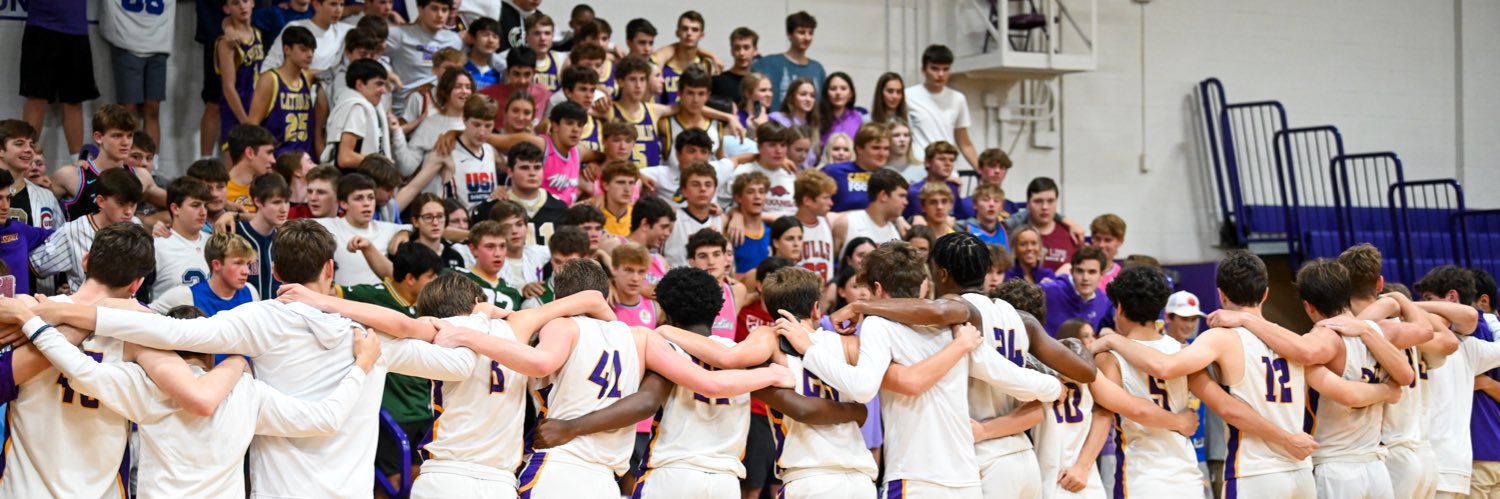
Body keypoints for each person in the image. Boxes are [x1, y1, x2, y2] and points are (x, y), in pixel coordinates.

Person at [15, 218, 477, 498]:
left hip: (278, 489)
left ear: (273, 271)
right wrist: (484, 323)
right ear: (331, 270)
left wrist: (56, 311)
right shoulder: (367, 337)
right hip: (351, 491)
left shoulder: (258, 322)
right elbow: (459, 364)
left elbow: (171, 331)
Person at [436, 258, 792, 498]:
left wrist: (474, 331)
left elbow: (642, 401)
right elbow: (712, 379)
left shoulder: (561, 325)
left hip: (564, 464)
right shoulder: (642, 337)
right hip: (622, 479)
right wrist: (772, 372)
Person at [783, 241, 1063, 497]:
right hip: (967, 478)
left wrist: (810, 350)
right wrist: (1053, 386)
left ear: (878, 290)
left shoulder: (879, 325)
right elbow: (1011, 376)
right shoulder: (956, 327)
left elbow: (862, 387)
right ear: (923, 285)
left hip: (914, 476)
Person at [1207, 258, 1429, 498]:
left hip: (1335, 465)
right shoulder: (1380, 330)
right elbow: (1424, 334)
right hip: (1376, 466)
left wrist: (1246, 319)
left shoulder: (1324, 338)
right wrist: (1396, 301)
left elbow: (1305, 353)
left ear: (1308, 307)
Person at [0, 223, 155, 498]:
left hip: (23, 488)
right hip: (102, 489)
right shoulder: (145, 330)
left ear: (85, 261)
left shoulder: (29, 313)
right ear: (137, 283)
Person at [1337, 244, 1457, 499]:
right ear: (1380, 283)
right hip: (1422, 454)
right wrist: (1402, 301)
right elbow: (1449, 341)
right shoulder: (1405, 328)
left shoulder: (1359, 331)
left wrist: (1398, 301)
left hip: (1390, 453)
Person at [33, 169, 143, 291]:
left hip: (125, 307)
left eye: (133, 205)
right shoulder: (73, 231)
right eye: (121, 204)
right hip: (84, 307)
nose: (128, 212)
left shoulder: (136, 225)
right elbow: (36, 266)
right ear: (101, 201)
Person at [54, 105, 166, 220]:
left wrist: (147, 220)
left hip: (123, 237)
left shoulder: (141, 176)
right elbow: (36, 200)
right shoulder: (71, 175)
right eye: (117, 136)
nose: (126, 142)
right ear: (98, 137)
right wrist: (36, 180)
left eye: (129, 136)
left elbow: (178, 204)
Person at [20, 0, 98, 156]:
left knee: (74, 100)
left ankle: (77, 166)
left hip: (76, 29)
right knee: (36, 97)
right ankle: (25, 160)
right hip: (41, 26)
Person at [316, 173, 411, 286]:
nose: (367, 204)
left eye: (371, 197)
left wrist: (404, 233)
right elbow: (293, 224)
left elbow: (412, 226)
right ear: (343, 204)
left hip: (378, 299)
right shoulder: (329, 226)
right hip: (342, 299)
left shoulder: (385, 228)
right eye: (358, 198)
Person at [152, 230, 263, 315]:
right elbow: (143, 313)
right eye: (238, 263)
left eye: (248, 264)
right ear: (216, 264)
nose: (246, 271)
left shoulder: (251, 292)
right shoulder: (186, 296)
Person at [249, 26, 319, 158]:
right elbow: (252, 126)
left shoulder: (307, 77)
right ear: (287, 49)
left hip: (304, 160)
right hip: (278, 161)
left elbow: (331, 73)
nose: (310, 54)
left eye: (312, 50)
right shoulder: (270, 79)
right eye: (304, 49)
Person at [906, 44, 979, 168]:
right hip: (918, 168)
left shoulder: (958, 98)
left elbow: (964, 141)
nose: (940, 74)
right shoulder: (908, 96)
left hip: (947, 170)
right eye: (934, 69)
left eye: (945, 69)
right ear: (923, 70)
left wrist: (980, 170)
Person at [149, 177, 213, 302]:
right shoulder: (157, 247)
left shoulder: (214, 243)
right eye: (195, 205)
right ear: (175, 208)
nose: (203, 212)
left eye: (205, 206)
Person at [753, 12, 825, 110]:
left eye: (810, 33)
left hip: (809, 124)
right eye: (801, 32)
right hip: (775, 123)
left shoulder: (817, 69)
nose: (807, 38)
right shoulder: (767, 64)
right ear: (789, 34)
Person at [236, 173, 291, 299]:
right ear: (258, 201)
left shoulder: (285, 239)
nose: (284, 209)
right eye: (276, 202)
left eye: (286, 202)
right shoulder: (236, 233)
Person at [262, 0, 351, 78]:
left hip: (327, 93)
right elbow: (270, 64)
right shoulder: (295, 28)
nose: (338, 10)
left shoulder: (345, 31)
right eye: (333, 4)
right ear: (316, 5)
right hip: (295, 91)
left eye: (342, 4)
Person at [0, 120, 61, 233]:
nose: (29, 150)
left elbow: (58, 241)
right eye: (19, 144)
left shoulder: (46, 196)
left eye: (31, 144)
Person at [445, 94, 504, 211]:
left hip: (487, 224)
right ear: (464, 119)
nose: (482, 132)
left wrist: (503, 190)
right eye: (476, 125)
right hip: (459, 224)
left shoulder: (490, 151)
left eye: (488, 126)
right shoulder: (447, 150)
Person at [831, 168, 906, 258]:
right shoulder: (847, 223)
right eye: (902, 196)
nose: (905, 202)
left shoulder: (895, 232)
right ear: (884, 196)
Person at [662, 161, 722, 268]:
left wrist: (736, 215)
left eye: (708, 185)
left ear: (714, 191)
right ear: (684, 191)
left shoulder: (722, 219)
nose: (703, 189)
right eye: (696, 184)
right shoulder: (671, 218)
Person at [1040, 246, 1113, 334]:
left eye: (1092, 272)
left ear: (1102, 275)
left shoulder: (1104, 303)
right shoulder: (1049, 290)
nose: (1085, 278)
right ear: (1071, 271)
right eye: (1080, 271)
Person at [0, 170, 51, 295]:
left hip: (22, 312)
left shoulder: (19, 230)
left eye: (8, 198)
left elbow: (63, 234)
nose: (5, 206)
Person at [454, 220, 525, 310]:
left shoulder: (513, 293)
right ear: (473, 249)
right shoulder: (455, 278)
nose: (497, 253)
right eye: (490, 246)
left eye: (502, 246)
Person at [731, 122, 798, 217]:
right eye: (772, 145)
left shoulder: (791, 174)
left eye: (783, 145)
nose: (778, 151)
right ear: (759, 146)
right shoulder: (742, 173)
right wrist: (736, 214)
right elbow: (727, 208)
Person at [824, 123, 893, 213]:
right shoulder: (833, 172)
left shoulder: (891, 179)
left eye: (886, 148)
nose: (882, 154)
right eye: (876, 148)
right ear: (859, 149)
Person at [653, 11, 716, 106]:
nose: (689, 33)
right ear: (677, 33)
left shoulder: (706, 65)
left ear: (701, 35)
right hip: (665, 117)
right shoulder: (663, 63)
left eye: (694, 30)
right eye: (685, 29)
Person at [905, 141, 971, 220]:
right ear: (927, 162)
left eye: (951, 160)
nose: (948, 164)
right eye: (942, 159)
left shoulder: (953, 187)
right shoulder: (914, 191)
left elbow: (960, 218)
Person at [793, 169, 837, 283]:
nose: (831, 203)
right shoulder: (788, 226)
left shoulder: (828, 220)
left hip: (824, 295)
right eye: (826, 198)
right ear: (807, 200)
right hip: (797, 294)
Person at [225, 124, 280, 213]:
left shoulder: (271, 189)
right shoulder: (216, 194)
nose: (273, 160)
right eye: (269, 152)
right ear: (250, 153)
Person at [611, 243, 664, 328]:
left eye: (641, 272)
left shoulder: (656, 309)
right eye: (629, 270)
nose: (635, 278)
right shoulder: (603, 305)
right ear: (614, 269)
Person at [730, 171, 772, 277]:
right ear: (738, 198)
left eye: (761, 192)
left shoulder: (771, 230)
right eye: (750, 192)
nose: (757, 196)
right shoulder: (731, 231)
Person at [712, 27, 759, 103]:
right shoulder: (718, 81)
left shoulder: (760, 82)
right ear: (731, 51)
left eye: (746, 48)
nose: (741, 53)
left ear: (755, 51)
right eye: (737, 48)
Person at [818, 72, 863, 150]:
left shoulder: (857, 118)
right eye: (833, 89)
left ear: (851, 94)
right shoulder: (817, 118)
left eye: (843, 88)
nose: (838, 92)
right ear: (826, 94)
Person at [599, 161, 644, 237]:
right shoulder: (594, 215)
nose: (627, 189)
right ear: (605, 185)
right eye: (621, 182)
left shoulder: (639, 216)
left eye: (631, 183)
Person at [464, 17, 507, 90]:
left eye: (495, 37)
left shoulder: (501, 73)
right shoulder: (460, 66)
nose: (490, 40)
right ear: (472, 38)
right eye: (485, 35)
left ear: (499, 44)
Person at [1091, 214, 1127, 291]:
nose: (1101, 245)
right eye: (1097, 239)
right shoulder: (1079, 271)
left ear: (1120, 241)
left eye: (1108, 240)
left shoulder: (1122, 276)